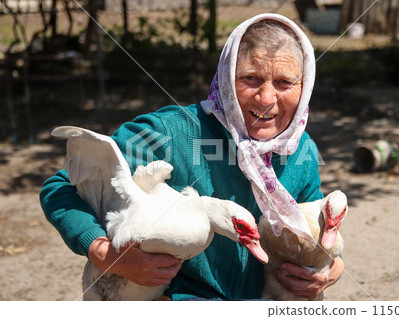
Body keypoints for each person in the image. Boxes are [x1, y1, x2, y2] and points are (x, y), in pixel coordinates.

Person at [40, 13, 344, 300]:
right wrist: (104, 252)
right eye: (250, 78)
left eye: (284, 82)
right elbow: (60, 188)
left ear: (305, 87)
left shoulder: (300, 149)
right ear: (225, 77)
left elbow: (315, 226)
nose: (266, 98)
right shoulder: (167, 133)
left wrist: (331, 270)